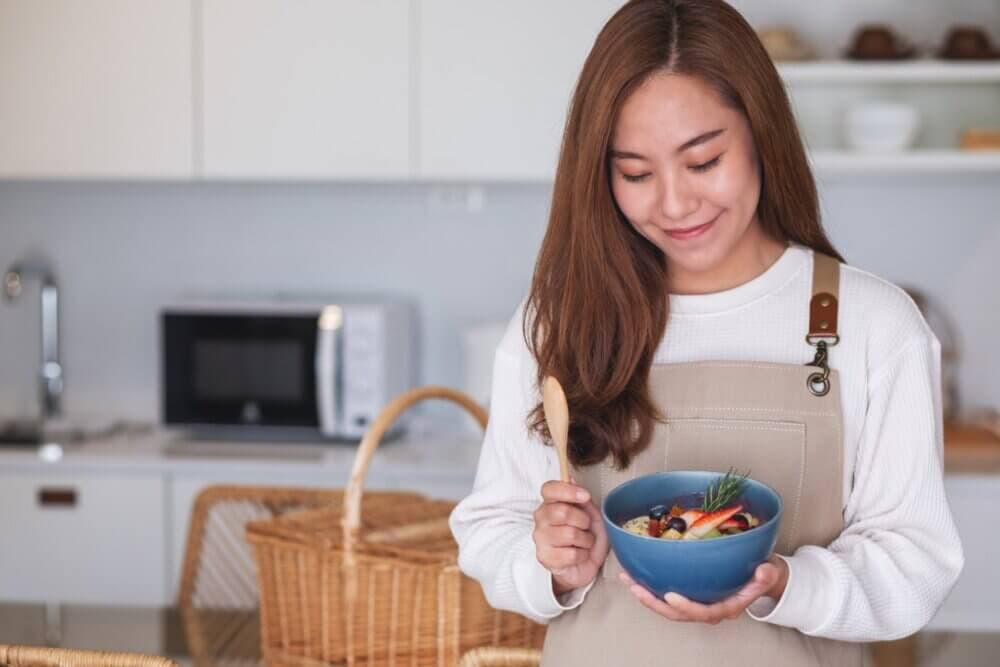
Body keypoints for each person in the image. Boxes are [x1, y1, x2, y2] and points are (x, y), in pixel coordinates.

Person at [448, 0, 964, 664]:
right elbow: (490, 528)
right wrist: (545, 563)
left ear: (759, 133)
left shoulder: (873, 325)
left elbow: (915, 564)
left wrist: (788, 584)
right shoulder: (559, 320)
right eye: (635, 172)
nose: (673, 202)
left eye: (702, 160)